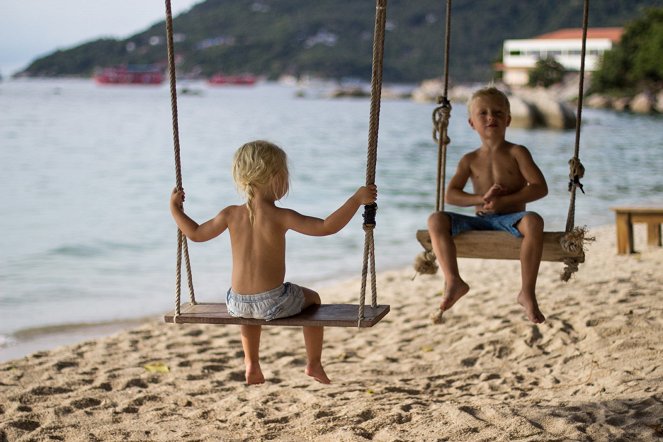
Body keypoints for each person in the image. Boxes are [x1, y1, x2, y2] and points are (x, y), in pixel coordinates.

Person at [170, 140, 378, 384]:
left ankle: (252, 363)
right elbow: (326, 227)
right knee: (314, 299)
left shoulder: (229, 214)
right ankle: (313, 363)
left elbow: (194, 233)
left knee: (248, 311)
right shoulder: (281, 216)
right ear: (275, 177)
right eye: (285, 176)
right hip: (274, 302)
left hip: (236, 303)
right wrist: (356, 200)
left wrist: (175, 209)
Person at [427, 86, 548, 324]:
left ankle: (527, 293)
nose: (491, 117)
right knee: (436, 219)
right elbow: (451, 195)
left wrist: (504, 201)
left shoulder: (517, 152)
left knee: (534, 220)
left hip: (511, 219)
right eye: (483, 113)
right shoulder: (470, 159)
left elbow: (539, 187)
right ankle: (454, 281)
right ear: (472, 123)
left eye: (498, 113)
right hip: (480, 220)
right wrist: (481, 199)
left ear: (508, 119)